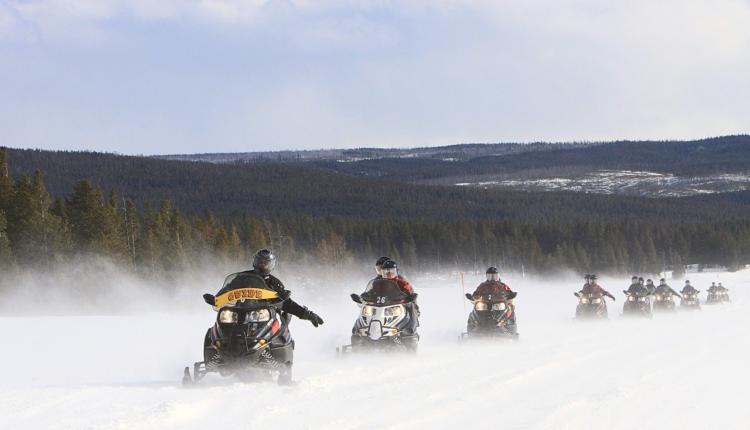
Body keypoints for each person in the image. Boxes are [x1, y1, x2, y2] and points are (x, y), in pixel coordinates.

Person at [226, 249, 324, 327]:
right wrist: (216, 299)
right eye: (260, 262)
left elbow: (287, 304)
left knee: (276, 328)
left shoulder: (275, 283)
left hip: (263, 318)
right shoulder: (243, 277)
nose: (262, 265)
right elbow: (228, 289)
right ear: (255, 262)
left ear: (271, 265)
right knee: (218, 325)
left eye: (265, 263)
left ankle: (279, 342)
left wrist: (307, 314)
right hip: (239, 313)